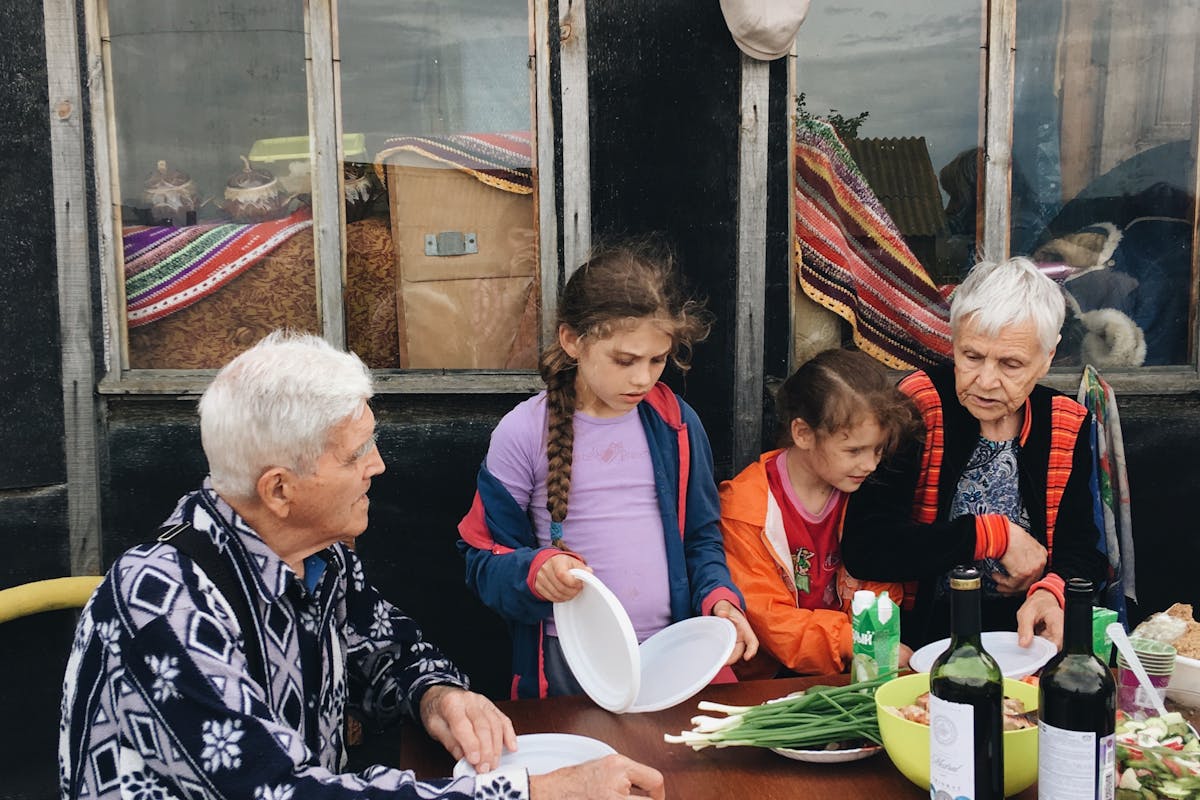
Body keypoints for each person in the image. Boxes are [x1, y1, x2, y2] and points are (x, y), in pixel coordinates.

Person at [59, 331, 664, 800]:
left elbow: (386, 644)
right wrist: (535, 790)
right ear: (279, 490)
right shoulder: (161, 604)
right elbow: (283, 791)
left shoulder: (316, 557)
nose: (378, 466)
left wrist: (438, 695)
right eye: (356, 453)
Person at [458, 242, 758, 698]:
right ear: (572, 340)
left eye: (657, 360)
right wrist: (534, 571)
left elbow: (701, 537)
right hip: (571, 662)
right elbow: (482, 559)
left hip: (674, 652)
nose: (642, 378)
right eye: (625, 360)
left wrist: (720, 600)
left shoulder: (676, 423)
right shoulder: (522, 432)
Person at [840, 257, 1109, 650]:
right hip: (920, 640)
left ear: (1048, 358)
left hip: (1021, 642)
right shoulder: (918, 407)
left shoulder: (1064, 423)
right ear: (954, 343)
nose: (985, 380)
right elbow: (868, 548)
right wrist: (991, 536)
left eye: (1011, 363)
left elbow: (1082, 548)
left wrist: (1050, 592)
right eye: (972, 356)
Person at [719, 348, 918, 678]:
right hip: (765, 682)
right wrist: (852, 640)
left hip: (853, 672)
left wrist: (872, 640)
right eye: (853, 450)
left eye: (878, 450)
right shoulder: (745, 509)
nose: (870, 465)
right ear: (803, 433)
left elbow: (882, 584)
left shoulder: (866, 492)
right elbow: (769, 619)